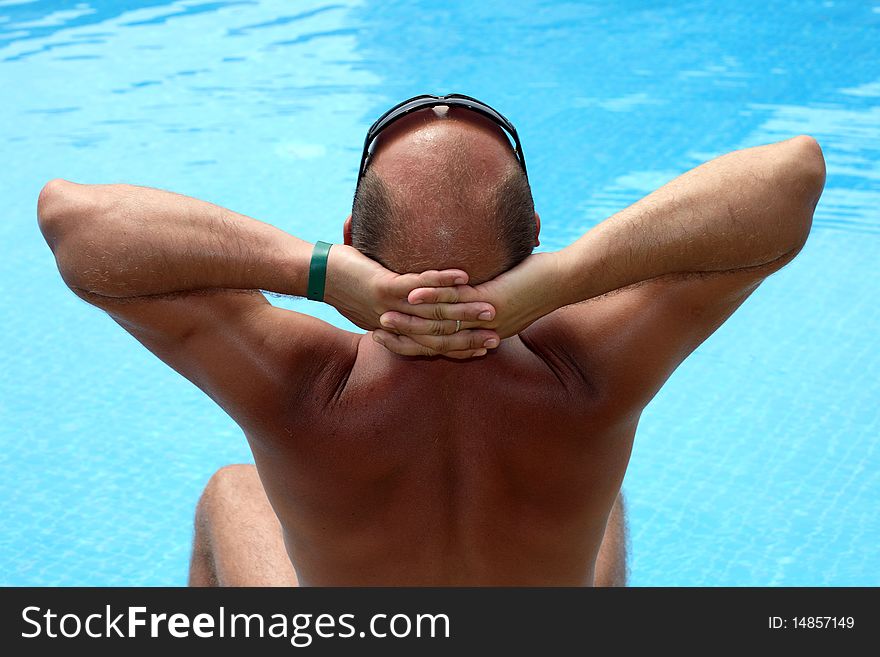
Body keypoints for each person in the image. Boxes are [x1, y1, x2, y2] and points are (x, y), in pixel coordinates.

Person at [37, 94, 825, 586]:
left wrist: (315, 272)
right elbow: (792, 176)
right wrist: (567, 278)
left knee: (229, 495)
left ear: (353, 238)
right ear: (536, 239)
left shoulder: (299, 388)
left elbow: (74, 221)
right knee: (602, 499)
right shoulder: (591, 373)